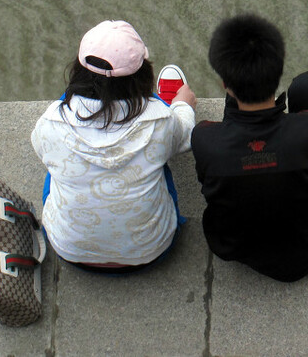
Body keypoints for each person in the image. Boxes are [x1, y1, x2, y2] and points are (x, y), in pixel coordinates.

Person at [190, 13, 308, 282]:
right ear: (278, 72)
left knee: (233, 121)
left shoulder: (204, 139)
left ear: (224, 83)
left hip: (238, 247)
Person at [32, 19, 196, 273]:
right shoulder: (160, 121)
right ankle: (158, 99)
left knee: (55, 167)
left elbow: (42, 151)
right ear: (142, 73)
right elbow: (185, 138)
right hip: (151, 250)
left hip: (71, 251)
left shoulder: (50, 122)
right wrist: (183, 105)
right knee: (159, 159)